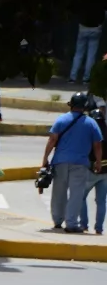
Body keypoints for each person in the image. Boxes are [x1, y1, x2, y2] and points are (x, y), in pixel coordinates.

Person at [42, 92, 103, 232]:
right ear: (85, 106)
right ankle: (71, 223)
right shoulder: (91, 123)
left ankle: (57, 220)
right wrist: (98, 162)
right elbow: (97, 145)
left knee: (59, 192)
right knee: (76, 194)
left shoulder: (61, 120)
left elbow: (52, 140)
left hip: (60, 162)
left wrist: (45, 158)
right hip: (80, 163)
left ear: (71, 105)